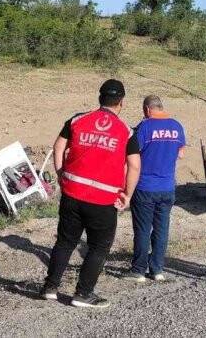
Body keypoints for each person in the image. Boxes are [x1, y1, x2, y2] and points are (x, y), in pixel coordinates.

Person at [41, 79, 141, 308]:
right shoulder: (126, 132)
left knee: (65, 242)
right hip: (103, 200)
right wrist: (127, 194)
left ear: (100, 98)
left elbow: (58, 147)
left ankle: (50, 287)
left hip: (73, 192)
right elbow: (134, 166)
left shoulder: (77, 119)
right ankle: (83, 293)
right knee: (99, 246)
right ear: (121, 102)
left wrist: (61, 174)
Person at [121, 95, 185, 282]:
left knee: (143, 229)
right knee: (161, 229)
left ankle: (138, 270)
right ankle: (157, 270)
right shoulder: (177, 126)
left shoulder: (145, 127)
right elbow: (181, 154)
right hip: (167, 187)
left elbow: (132, 154)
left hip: (145, 187)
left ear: (147, 109)